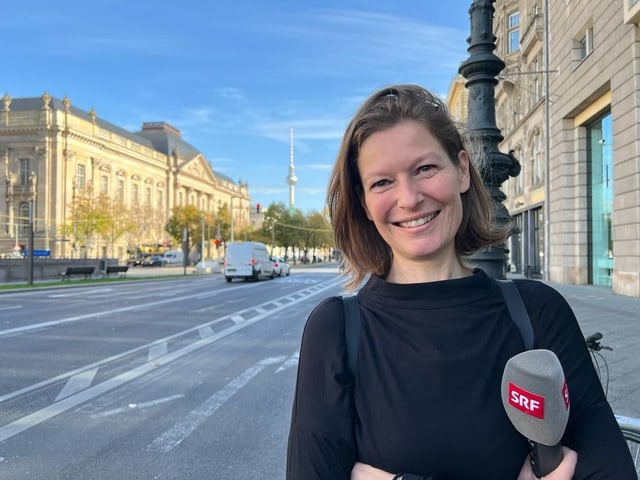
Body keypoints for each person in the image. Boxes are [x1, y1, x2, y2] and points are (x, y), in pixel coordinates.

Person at [286, 84, 637, 479]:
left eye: (425, 169)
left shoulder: (537, 311)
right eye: (382, 182)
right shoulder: (335, 331)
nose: (409, 197)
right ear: (365, 204)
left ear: (463, 172)